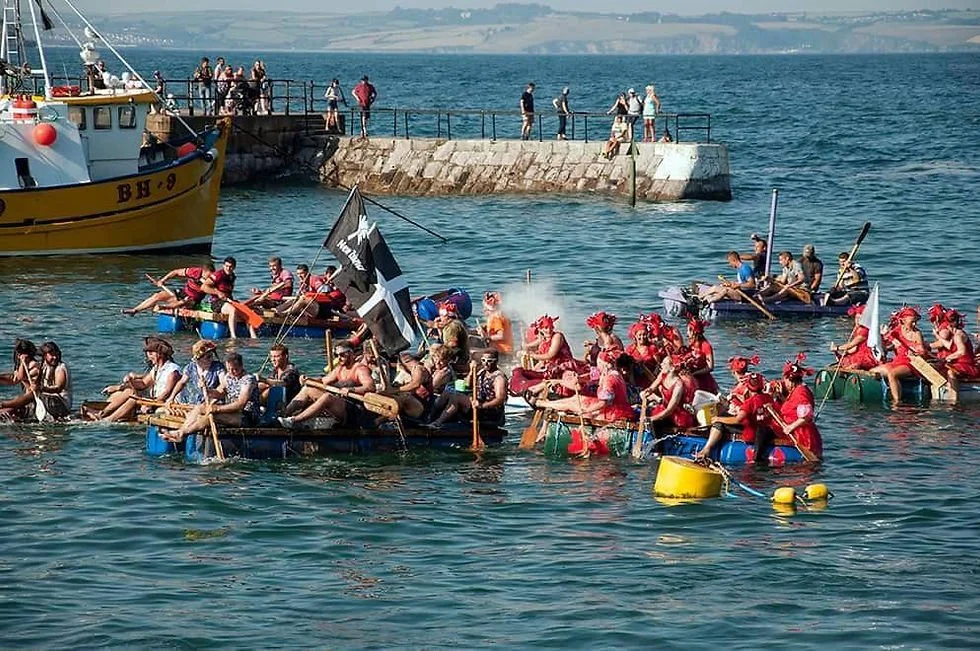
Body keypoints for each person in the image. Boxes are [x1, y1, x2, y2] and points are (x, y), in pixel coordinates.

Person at [162, 353, 260, 442]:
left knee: (211, 417)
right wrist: (207, 389)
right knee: (200, 407)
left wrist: (217, 408)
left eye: (235, 369)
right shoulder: (228, 377)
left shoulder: (248, 380)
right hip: (231, 412)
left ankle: (182, 434)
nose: (232, 372)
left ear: (241, 366)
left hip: (246, 416)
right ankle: (181, 430)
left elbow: (240, 404)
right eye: (229, 369)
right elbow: (218, 393)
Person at [279, 342, 375, 428]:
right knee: (308, 389)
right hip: (340, 404)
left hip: (354, 411)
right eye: (336, 355)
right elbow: (323, 381)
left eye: (342, 355)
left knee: (327, 397)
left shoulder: (360, 369)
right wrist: (308, 379)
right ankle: (283, 415)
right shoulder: (339, 369)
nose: (338, 358)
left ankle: (294, 421)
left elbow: (370, 387)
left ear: (351, 354)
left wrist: (352, 389)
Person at [83, 337, 180, 422]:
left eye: (151, 354)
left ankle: (108, 419)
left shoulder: (172, 371)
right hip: (155, 399)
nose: (148, 357)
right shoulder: (156, 369)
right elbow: (143, 383)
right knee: (129, 391)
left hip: (166, 403)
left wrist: (149, 404)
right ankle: (102, 414)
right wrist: (130, 381)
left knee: (134, 400)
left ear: (160, 354)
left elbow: (165, 394)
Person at [536, 349, 633, 423]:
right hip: (611, 407)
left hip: (612, 412)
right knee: (577, 398)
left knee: (573, 404)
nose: (597, 366)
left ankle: (542, 404)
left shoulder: (610, 379)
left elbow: (604, 403)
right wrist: (579, 378)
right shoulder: (611, 373)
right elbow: (594, 380)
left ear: (604, 364)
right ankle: (547, 403)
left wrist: (585, 411)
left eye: (599, 363)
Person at [700, 372, 775, 465]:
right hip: (764, 429)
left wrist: (718, 419)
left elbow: (738, 419)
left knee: (719, 423)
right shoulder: (767, 397)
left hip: (751, 431)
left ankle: (706, 449)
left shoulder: (750, 403)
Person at [429, 350, 508, 428]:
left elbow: (500, 399)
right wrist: (471, 371)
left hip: (490, 413)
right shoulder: (482, 372)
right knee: (448, 393)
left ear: (496, 361)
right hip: (477, 404)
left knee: (456, 397)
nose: (486, 363)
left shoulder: (499, 378)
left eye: (489, 361)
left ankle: (438, 422)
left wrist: (482, 405)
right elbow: (468, 385)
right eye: (483, 360)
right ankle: (430, 418)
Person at [870, 306, 928, 404]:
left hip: (911, 363)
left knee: (892, 374)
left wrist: (916, 351)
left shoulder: (916, 333)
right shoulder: (896, 330)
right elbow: (889, 343)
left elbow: (922, 351)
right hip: (897, 361)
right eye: (912, 321)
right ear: (903, 320)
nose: (914, 324)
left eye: (915, 321)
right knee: (872, 371)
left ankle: (897, 401)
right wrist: (882, 338)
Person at [773, 354, 823, 459]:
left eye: (785, 380)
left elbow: (807, 415)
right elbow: (793, 406)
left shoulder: (801, 392)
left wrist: (791, 427)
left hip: (801, 435)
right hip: (796, 431)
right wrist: (781, 398)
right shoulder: (796, 391)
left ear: (789, 379)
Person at [123, 262, 216, 315]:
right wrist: (162, 281)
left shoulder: (212, 280)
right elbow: (175, 272)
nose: (210, 277)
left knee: (182, 302)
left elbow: (215, 292)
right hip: (183, 293)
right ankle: (135, 310)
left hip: (192, 300)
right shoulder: (195, 271)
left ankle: (162, 307)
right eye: (208, 275)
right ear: (204, 271)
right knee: (157, 296)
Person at [166, 339, 225, 406]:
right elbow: (181, 383)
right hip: (193, 403)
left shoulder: (218, 367)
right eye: (208, 357)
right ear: (199, 359)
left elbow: (223, 385)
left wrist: (209, 392)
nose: (211, 359)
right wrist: (171, 397)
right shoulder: (191, 367)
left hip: (213, 402)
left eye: (211, 356)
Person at [0, 339, 41, 420]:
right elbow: (13, 379)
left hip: (33, 401)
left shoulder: (34, 365)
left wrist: (23, 362)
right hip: (25, 401)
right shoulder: (24, 366)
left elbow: (19, 378)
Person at [203, 257, 242, 339]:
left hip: (227, 301)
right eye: (226, 266)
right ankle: (233, 336)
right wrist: (218, 292)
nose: (228, 268)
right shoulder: (218, 275)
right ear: (223, 266)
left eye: (231, 267)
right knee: (233, 310)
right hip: (216, 302)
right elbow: (203, 287)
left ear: (234, 267)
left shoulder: (232, 277)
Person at [388, 352, 434, 421]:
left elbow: (415, 384)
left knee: (403, 397)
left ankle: (380, 420)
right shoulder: (412, 370)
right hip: (416, 401)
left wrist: (396, 390)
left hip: (422, 406)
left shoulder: (418, 369)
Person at [832, 305, 879, 370]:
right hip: (859, 354)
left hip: (868, 356)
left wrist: (837, 348)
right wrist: (846, 352)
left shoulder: (865, 330)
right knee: (843, 361)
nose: (857, 321)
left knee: (850, 366)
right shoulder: (858, 329)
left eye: (860, 319)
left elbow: (852, 344)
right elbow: (855, 348)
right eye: (856, 318)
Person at [35, 342, 72, 419]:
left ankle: (6, 405)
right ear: (44, 356)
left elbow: (58, 388)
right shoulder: (43, 366)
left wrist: (41, 388)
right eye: (52, 355)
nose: (55, 357)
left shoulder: (60, 368)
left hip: (61, 403)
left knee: (40, 396)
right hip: (47, 400)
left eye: (56, 354)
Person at [435, 302, 470, 374]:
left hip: (457, 359)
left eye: (441, 316)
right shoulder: (453, 323)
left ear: (446, 317)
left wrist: (439, 350)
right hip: (457, 356)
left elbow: (453, 344)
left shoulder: (452, 327)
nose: (439, 318)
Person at [686, 319, 719, 394]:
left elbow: (710, 367)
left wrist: (695, 373)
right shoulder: (691, 343)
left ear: (693, 332)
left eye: (688, 331)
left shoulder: (706, 346)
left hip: (703, 379)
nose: (687, 334)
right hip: (691, 375)